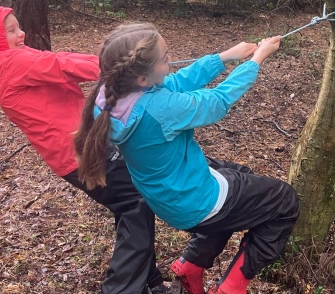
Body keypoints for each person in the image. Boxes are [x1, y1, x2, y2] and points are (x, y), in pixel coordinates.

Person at [75, 23, 300, 294]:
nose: (170, 58)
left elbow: (176, 82)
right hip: (196, 201)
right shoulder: (160, 108)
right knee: (285, 200)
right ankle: (233, 286)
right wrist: (256, 60)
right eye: (165, 57)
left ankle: (190, 266)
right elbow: (217, 101)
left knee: (240, 174)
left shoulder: (110, 98)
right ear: (142, 79)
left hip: (170, 197)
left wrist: (224, 57)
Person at [0, 7, 171, 294]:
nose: (21, 34)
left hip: (75, 154)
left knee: (130, 204)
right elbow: (61, 64)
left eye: (18, 27)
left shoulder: (2, 66)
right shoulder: (11, 60)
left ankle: (150, 282)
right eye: (10, 30)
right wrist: (122, 67)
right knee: (136, 202)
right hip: (83, 153)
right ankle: (122, 288)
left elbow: (51, 65)